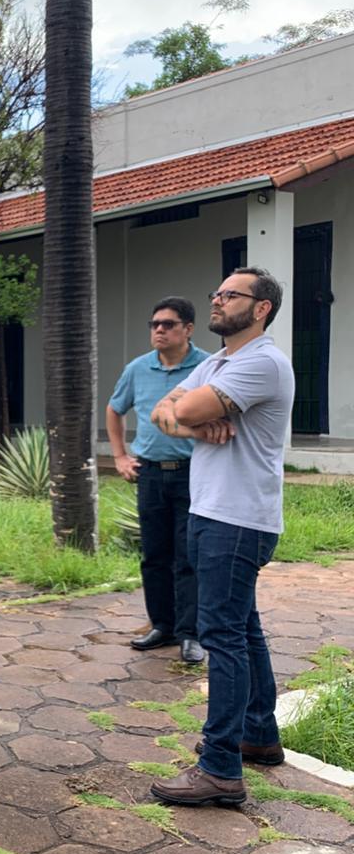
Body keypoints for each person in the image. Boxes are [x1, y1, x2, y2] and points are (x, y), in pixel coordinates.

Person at [148, 267, 294, 807]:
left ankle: (220, 768)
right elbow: (161, 412)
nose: (217, 299)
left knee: (222, 636)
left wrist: (185, 414)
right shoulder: (217, 361)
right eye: (216, 292)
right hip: (216, 513)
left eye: (231, 295)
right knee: (243, 628)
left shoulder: (262, 362)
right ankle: (258, 734)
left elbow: (178, 407)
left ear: (260, 309)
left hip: (237, 519)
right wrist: (193, 422)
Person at [106, 297, 208, 664]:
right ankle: (161, 625)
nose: (159, 330)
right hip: (149, 474)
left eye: (167, 324)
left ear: (188, 329)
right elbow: (115, 409)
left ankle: (190, 634)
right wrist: (119, 456)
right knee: (154, 555)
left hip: (193, 474)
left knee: (188, 556)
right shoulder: (138, 369)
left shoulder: (207, 366)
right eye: (154, 325)